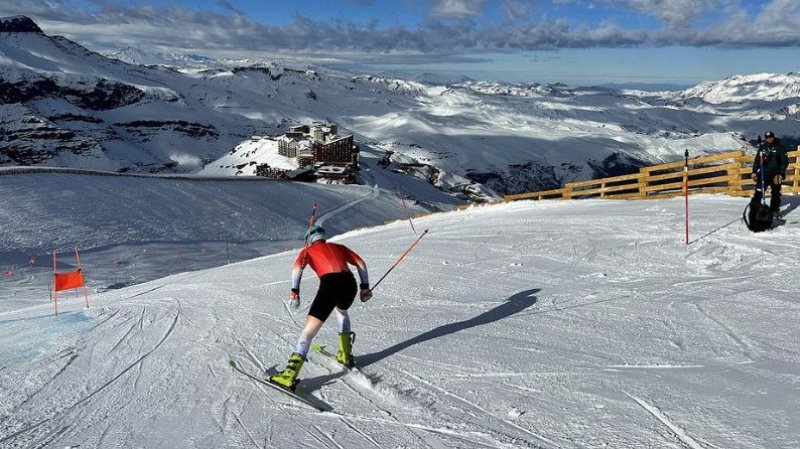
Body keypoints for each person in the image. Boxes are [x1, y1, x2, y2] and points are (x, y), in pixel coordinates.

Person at [269, 224, 372, 390]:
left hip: (330, 285)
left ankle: (289, 375)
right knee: (342, 312)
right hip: (350, 284)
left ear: (309, 240)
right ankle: (345, 354)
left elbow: (297, 269)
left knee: (308, 332)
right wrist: (365, 286)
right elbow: (360, 263)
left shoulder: (307, 251)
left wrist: (295, 291)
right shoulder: (339, 247)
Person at [751, 130, 789, 217]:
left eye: (771, 137)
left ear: (773, 137)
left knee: (776, 193)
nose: (769, 139)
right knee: (759, 191)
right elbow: (757, 160)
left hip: (776, 174)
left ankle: (774, 211)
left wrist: (781, 173)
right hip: (763, 173)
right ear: (765, 139)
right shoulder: (762, 148)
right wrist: (754, 171)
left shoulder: (780, 148)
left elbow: (784, 162)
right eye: (767, 138)